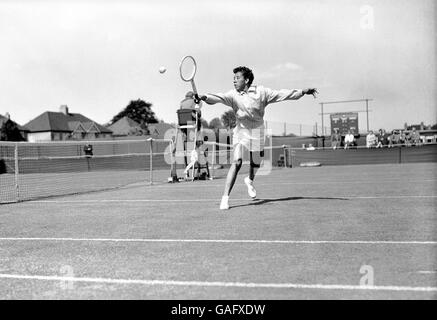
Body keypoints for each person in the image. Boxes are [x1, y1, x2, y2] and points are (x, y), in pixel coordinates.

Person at [194, 66, 318, 210]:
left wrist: (302, 92)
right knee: (237, 161)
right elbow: (217, 97)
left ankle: (250, 180)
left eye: (237, 78)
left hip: (258, 131)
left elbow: (283, 94)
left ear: (246, 80)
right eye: (233, 78)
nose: (234, 81)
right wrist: (203, 97)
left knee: (256, 162)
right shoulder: (233, 95)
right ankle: (225, 198)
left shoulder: (262, 92)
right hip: (241, 131)